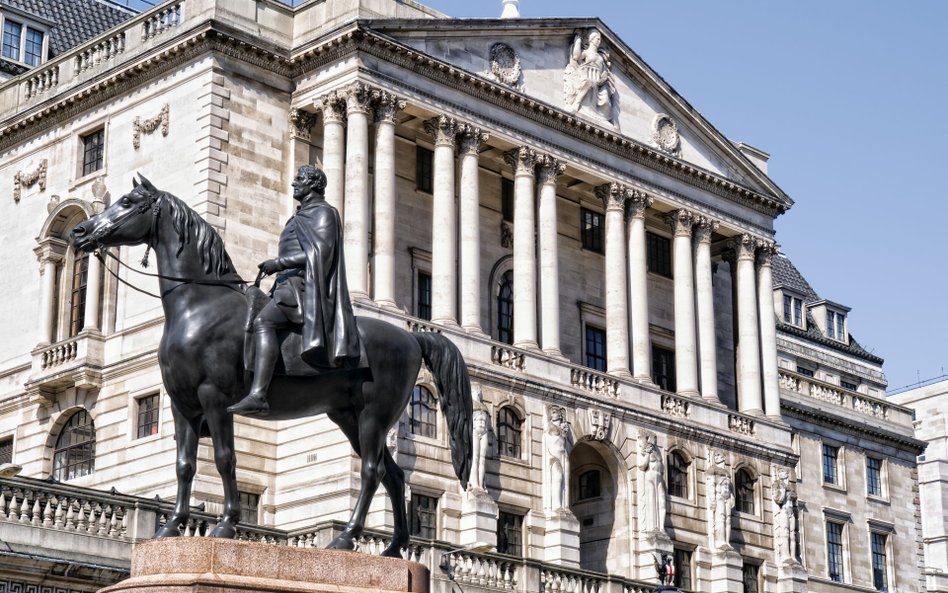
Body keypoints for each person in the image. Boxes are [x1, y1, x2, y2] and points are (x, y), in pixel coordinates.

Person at [228, 165, 361, 416]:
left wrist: (279, 263)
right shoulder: (300, 216)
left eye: (299, 179)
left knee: (263, 322)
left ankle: (259, 396)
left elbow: (320, 253)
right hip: (284, 285)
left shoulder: (324, 213)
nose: (293, 184)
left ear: (313, 184)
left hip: (305, 287)